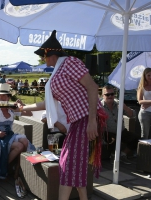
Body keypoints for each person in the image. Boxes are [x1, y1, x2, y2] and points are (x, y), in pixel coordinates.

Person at [13, 30, 107, 200]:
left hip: (86, 118)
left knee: (68, 164)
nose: (43, 59)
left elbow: (92, 87)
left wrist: (92, 120)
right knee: (71, 163)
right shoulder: (57, 71)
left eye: (43, 55)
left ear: (52, 53)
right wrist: (23, 108)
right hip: (78, 122)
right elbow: (46, 104)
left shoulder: (69, 62)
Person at [0, 83, 35, 198]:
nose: (1, 98)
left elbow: (30, 113)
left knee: (25, 142)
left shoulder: (12, 110)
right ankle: (5, 168)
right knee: (19, 146)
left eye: (4, 96)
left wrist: (22, 105)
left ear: (8, 98)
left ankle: (18, 170)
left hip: (10, 135)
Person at [101, 84, 138, 164]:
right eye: (107, 94)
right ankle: (113, 156)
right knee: (113, 140)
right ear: (103, 96)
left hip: (121, 131)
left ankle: (122, 155)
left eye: (112, 94)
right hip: (107, 132)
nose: (110, 96)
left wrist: (126, 108)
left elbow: (133, 115)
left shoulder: (118, 103)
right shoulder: (100, 107)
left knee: (135, 138)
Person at [137, 68, 151, 139]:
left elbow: (144, 102)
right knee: (145, 135)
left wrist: (147, 103)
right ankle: (144, 150)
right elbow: (140, 101)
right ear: (144, 76)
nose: (150, 77)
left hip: (146, 108)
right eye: (149, 75)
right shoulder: (142, 87)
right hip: (145, 113)